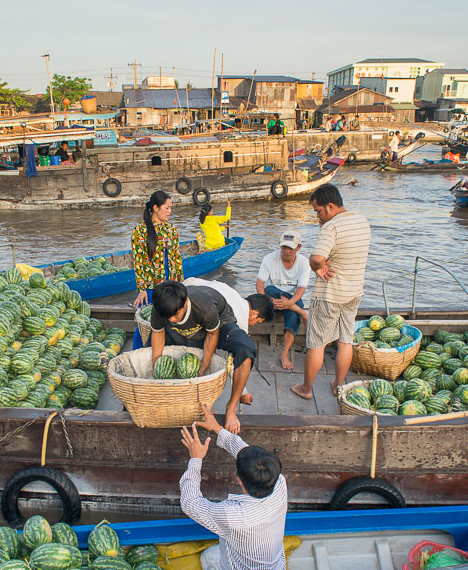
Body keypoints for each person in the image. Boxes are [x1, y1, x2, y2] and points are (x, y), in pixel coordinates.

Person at [168, 404, 287, 570]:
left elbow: (190, 503)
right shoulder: (279, 483)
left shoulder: (233, 516)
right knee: (207, 557)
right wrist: (217, 429)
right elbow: (245, 453)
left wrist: (195, 459)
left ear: (240, 482)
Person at [150, 280, 273, 434]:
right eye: (167, 317)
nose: (172, 320)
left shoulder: (204, 306)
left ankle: (231, 408)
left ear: (186, 302)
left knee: (246, 350)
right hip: (190, 327)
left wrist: (206, 360)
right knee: (151, 351)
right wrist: (156, 362)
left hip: (219, 324)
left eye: (176, 315)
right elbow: (158, 332)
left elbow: (212, 334)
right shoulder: (161, 307)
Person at [292, 184, 371, 400]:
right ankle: (338, 384)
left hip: (330, 295)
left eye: (318, 211)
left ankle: (306, 389)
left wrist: (318, 266)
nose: (318, 215)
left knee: (316, 344)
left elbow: (317, 258)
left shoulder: (332, 227)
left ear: (329, 206)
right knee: (345, 340)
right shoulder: (362, 222)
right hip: (354, 292)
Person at [256, 231, 311, 370]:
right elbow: (260, 283)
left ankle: (284, 354)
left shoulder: (304, 263)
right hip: (271, 297)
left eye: (290, 248)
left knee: (293, 312)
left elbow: (301, 289)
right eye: (284, 247)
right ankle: (302, 312)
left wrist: (290, 303)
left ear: (299, 247)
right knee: (271, 289)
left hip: (292, 301)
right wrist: (266, 300)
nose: (287, 251)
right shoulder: (269, 259)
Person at [131, 191, 185, 309]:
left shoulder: (171, 229)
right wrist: (141, 289)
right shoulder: (140, 231)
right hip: (151, 287)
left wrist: (181, 284)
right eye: (167, 208)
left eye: (170, 208)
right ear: (156, 208)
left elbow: (177, 258)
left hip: (171, 286)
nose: (169, 212)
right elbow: (138, 262)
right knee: (149, 321)